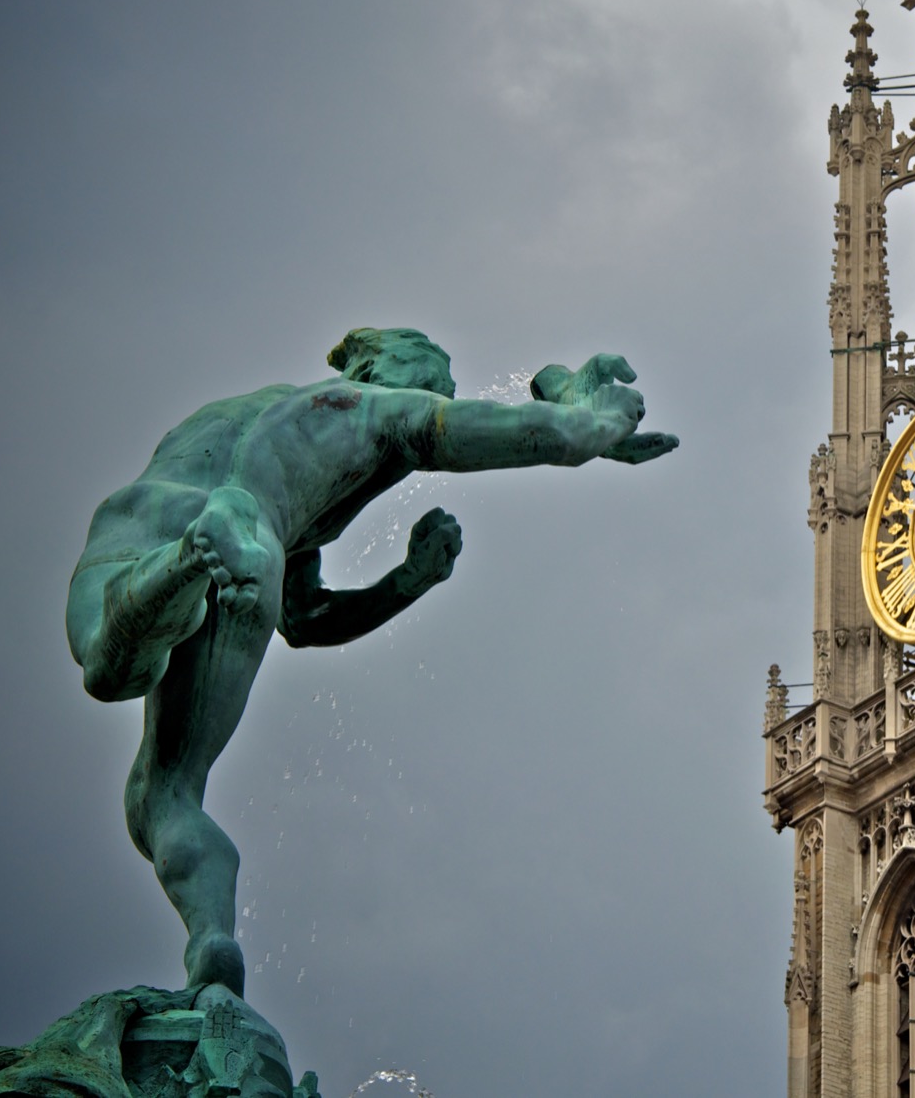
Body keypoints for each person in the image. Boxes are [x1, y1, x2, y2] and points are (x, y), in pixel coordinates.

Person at [63, 327, 677, 996]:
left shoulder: (257, 414)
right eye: (436, 382)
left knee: (115, 687)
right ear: (383, 368)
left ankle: (183, 563)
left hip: (131, 529)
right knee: (166, 786)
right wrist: (594, 423)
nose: (442, 395)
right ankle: (189, 561)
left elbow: (304, 620)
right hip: (250, 535)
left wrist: (405, 581)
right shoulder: (376, 410)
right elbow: (516, 433)